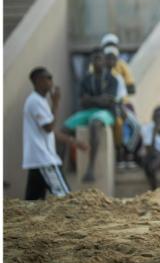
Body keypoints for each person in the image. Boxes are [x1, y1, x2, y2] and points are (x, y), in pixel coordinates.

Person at [23, 67, 86, 199]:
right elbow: (49, 127)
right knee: (66, 201)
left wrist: (73, 141)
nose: (52, 81)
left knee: (31, 206)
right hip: (44, 160)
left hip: (38, 161)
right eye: (49, 78)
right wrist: (56, 103)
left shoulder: (41, 101)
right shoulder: (34, 101)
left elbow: (50, 132)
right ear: (39, 81)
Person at [62, 48, 119, 182]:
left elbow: (108, 101)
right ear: (91, 61)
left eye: (100, 58)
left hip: (107, 112)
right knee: (65, 128)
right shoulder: (86, 79)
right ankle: (60, 168)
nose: (97, 61)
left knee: (94, 123)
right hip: (89, 111)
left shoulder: (112, 79)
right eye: (94, 59)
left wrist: (91, 99)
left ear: (104, 61)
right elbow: (82, 101)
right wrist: (99, 99)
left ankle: (90, 169)